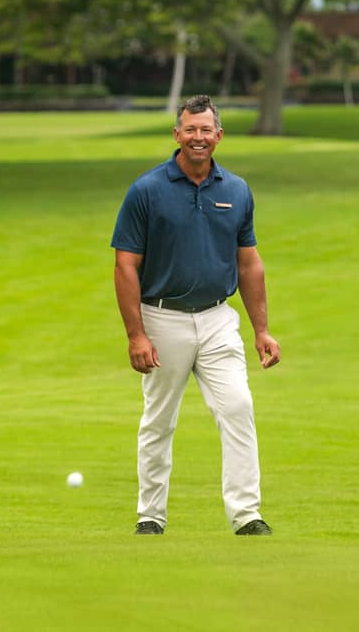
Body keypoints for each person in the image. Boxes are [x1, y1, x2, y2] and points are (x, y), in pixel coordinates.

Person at [111, 94, 282, 537]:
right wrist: (136, 334)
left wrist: (262, 329)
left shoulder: (236, 190)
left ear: (219, 136)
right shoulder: (147, 190)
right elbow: (125, 264)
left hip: (217, 318)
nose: (198, 138)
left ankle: (246, 515)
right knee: (159, 419)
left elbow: (249, 263)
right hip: (162, 317)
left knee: (239, 407)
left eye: (206, 130)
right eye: (190, 129)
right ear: (176, 134)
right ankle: (150, 515)